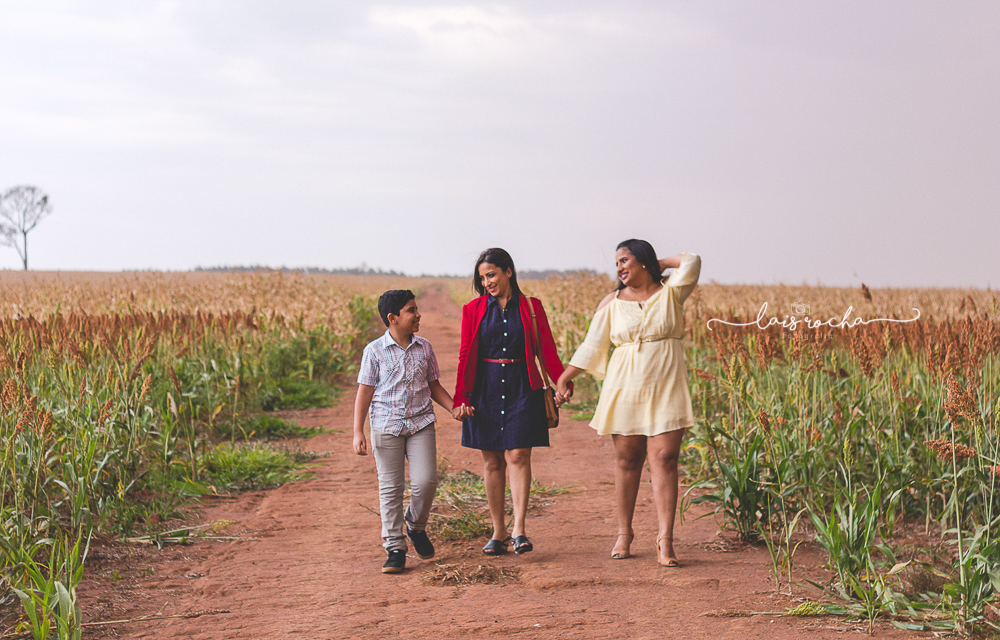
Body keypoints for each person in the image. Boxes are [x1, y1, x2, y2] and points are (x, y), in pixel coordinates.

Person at [556, 240, 701, 567]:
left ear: (644, 263)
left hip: (666, 382)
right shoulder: (612, 302)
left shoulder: (671, 292)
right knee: (628, 459)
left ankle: (665, 539)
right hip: (625, 385)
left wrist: (657, 262)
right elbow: (592, 346)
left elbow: (691, 260)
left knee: (665, 458)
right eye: (617, 263)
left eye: (626, 261)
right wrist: (567, 376)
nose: (619, 268)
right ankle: (625, 532)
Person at [452, 248, 572, 556]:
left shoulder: (532, 307)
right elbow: (466, 354)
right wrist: (461, 396)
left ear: (508, 271)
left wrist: (562, 381)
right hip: (485, 388)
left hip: (523, 385)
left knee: (518, 455)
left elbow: (546, 350)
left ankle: (519, 529)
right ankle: (499, 531)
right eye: (482, 278)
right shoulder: (473, 309)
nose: (487, 282)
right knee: (492, 461)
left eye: (491, 274)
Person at [353, 289, 457, 574]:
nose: (418, 314)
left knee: (426, 482)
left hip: (421, 423)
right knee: (391, 489)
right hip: (386, 426)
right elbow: (365, 393)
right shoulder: (373, 351)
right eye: (411, 310)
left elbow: (434, 386)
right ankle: (395, 547)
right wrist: (358, 432)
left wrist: (454, 408)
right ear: (393, 318)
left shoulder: (424, 347)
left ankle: (415, 525)